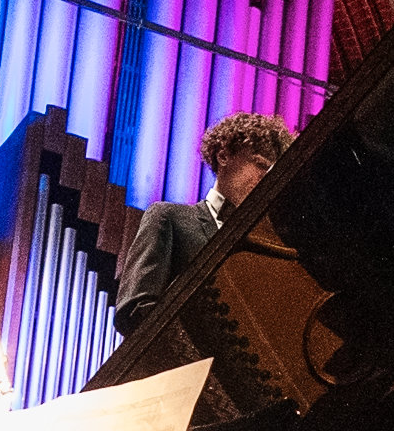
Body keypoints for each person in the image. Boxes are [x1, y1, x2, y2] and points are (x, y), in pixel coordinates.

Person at [116, 110, 288, 321]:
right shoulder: (168, 217)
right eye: (260, 164)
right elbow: (134, 309)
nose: (265, 179)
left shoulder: (265, 245)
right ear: (224, 156)